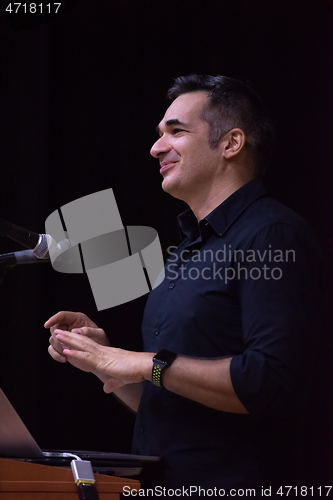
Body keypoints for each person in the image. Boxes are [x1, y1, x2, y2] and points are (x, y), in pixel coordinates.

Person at [45, 75, 321, 495]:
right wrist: (103, 361)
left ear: (231, 143)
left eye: (176, 131)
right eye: (159, 135)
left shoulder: (273, 234)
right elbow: (167, 398)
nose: (156, 147)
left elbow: (270, 383)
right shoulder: (188, 249)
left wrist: (143, 362)